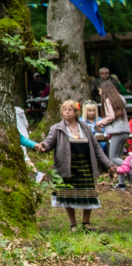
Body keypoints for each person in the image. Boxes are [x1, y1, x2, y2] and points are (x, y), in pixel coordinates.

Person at [35, 100, 116, 232]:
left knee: (88, 193)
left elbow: (96, 148)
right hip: (67, 166)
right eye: (64, 109)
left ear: (76, 112)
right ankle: (73, 224)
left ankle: (86, 223)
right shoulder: (57, 128)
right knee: (68, 195)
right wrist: (43, 146)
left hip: (85, 165)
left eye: (70, 109)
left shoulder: (84, 127)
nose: (67, 112)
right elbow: (49, 142)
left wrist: (109, 164)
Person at [96, 82, 129, 190]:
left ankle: (129, 168)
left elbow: (111, 116)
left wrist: (100, 122)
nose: (99, 93)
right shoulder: (119, 99)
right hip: (124, 131)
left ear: (105, 90)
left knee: (113, 158)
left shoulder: (107, 100)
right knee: (118, 157)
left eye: (100, 90)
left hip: (117, 132)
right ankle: (122, 184)